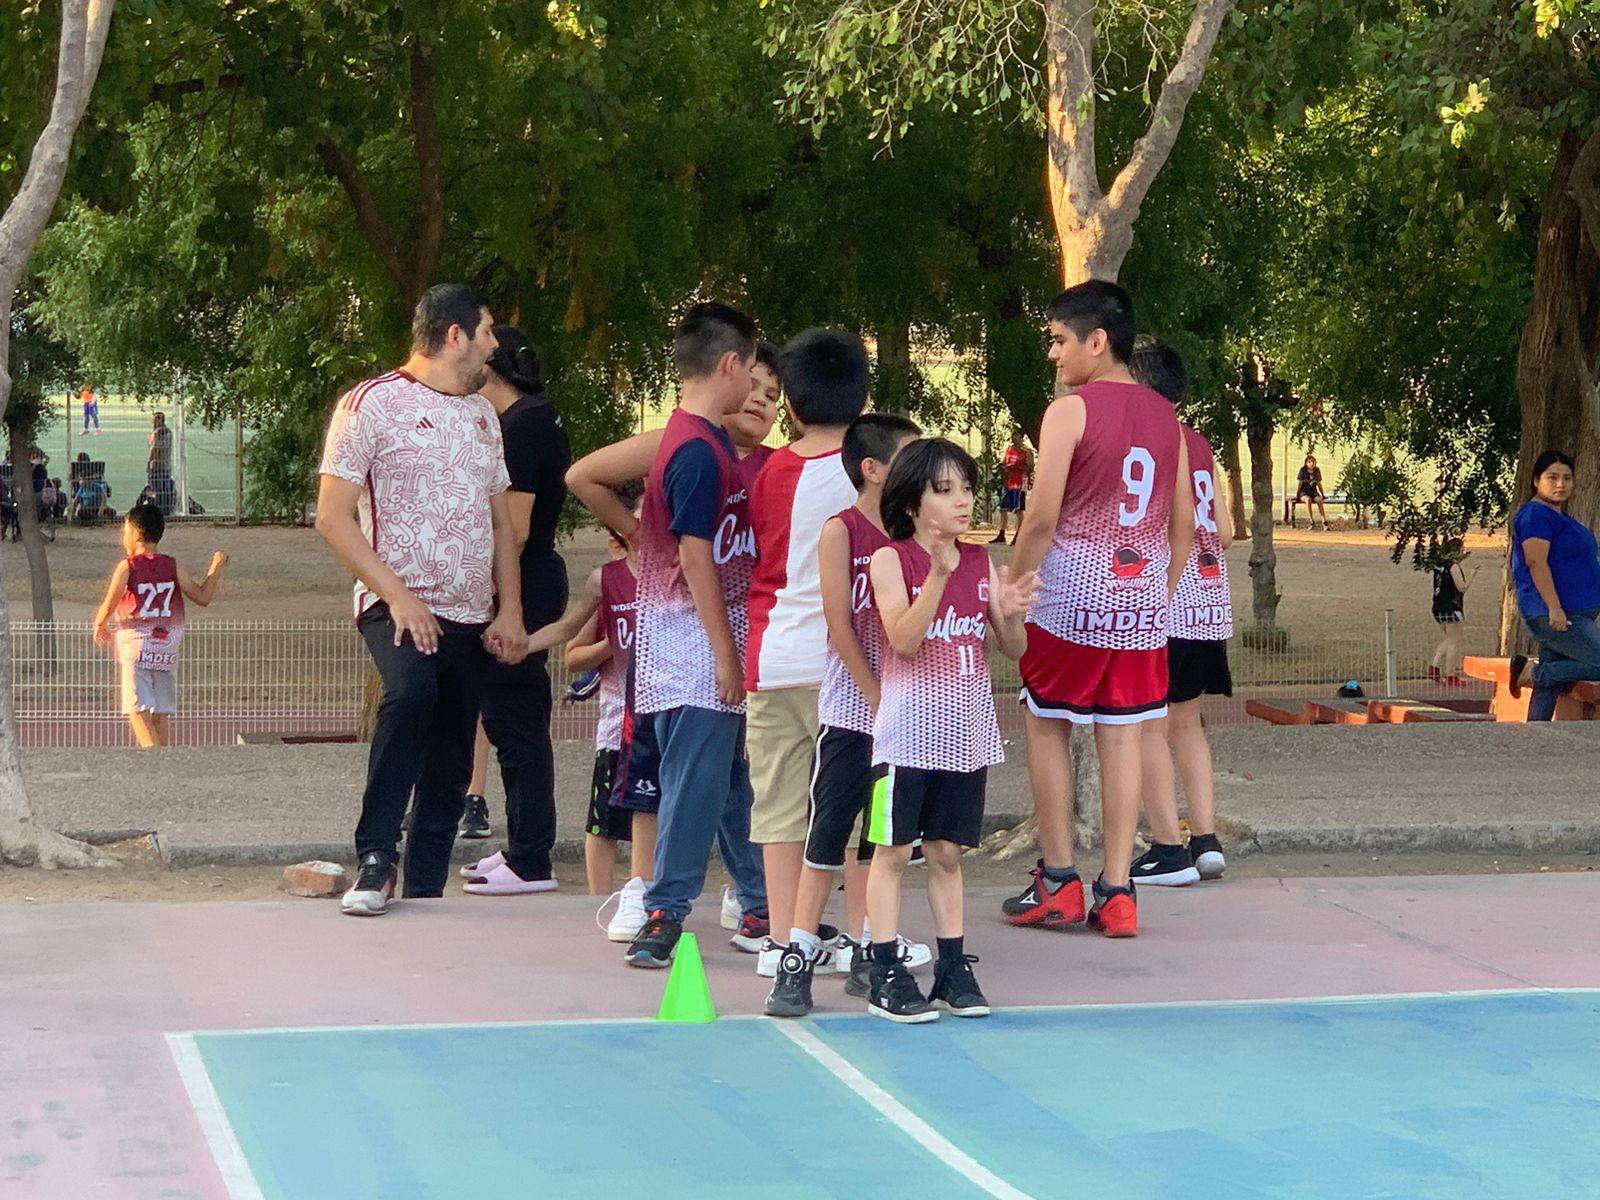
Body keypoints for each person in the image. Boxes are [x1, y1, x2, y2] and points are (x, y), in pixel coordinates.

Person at [316, 283, 529, 917]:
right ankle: (377, 855)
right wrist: (399, 596)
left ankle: (428, 885)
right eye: (488, 331)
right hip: (396, 602)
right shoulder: (368, 405)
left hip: (470, 611)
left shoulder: (482, 416)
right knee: (411, 694)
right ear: (456, 335)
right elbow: (332, 517)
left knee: (454, 749)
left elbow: (500, 527)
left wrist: (510, 610)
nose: (495, 345)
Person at [1002, 281, 1193, 939]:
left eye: (1059, 341)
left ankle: (1057, 878)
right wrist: (1156, 595)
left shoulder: (1069, 413)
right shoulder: (1168, 418)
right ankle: (1118, 889)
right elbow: (1182, 525)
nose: (1054, 356)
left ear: (1097, 340)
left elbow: (1043, 514)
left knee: (1046, 724)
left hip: (1067, 602)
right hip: (1137, 606)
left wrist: (1013, 588)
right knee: (1123, 734)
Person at [608, 302, 769, 968]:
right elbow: (697, 558)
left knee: (731, 782)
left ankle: (762, 901)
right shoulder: (700, 453)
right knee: (696, 781)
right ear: (730, 365)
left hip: (688, 645)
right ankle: (664, 913)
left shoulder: (688, 438)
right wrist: (727, 658)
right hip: (697, 650)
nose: (755, 387)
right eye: (753, 370)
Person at [860, 438, 1033, 1023]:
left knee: (946, 853)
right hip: (906, 734)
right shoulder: (891, 561)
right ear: (912, 502)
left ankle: (952, 967)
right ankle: (885, 967)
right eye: (945, 490)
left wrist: (1011, 614)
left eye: (967, 488)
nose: (962, 501)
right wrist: (936, 576)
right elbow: (903, 641)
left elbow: (1012, 649)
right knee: (892, 850)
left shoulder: (982, 561)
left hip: (964, 731)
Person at [763, 411, 923, 1018]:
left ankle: (871, 948)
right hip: (855, 709)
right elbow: (840, 626)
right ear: (874, 468)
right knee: (826, 835)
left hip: (908, 714)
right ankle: (795, 957)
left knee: (885, 837)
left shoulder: (914, 538)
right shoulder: (842, 531)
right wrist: (875, 693)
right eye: (909, 458)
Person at [743, 328, 873, 981]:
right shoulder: (871, 472)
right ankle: (859, 934)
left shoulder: (768, 472)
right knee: (845, 801)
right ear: (865, 394)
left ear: (789, 402)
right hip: (841, 665)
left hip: (772, 656)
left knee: (779, 806)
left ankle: (779, 937)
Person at [459, 327, 572, 897]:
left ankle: (532, 857)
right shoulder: (529, 418)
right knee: (507, 718)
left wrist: (493, 592)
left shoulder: (523, 425)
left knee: (516, 718)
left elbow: (519, 527)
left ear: (493, 366)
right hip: (525, 580)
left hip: (523, 582)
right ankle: (523, 846)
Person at [1128, 341, 1230, 886]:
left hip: (1160, 597)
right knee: (1187, 724)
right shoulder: (1200, 443)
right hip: (1207, 598)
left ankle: (1168, 848)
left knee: (1146, 724)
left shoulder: (1147, 439)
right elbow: (1227, 530)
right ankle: (1206, 839)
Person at [91, 502, 228, 748]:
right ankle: (165, 760)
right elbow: (202, 596)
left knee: (137, 709)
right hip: (166, 647)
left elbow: (110, 602)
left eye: (124, 532)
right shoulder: (172, 566)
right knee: (160, 713)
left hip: (137, 646)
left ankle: (153, 757)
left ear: (135, 533)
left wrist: (100, 623)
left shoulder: (128, 566)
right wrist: (215, 568)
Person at [1507, 451, 1600, 721]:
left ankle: (1538, 735)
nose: (1561, 484)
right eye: (1552, 477)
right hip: (1557, 614)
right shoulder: (1536, 515)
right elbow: (1536, 562)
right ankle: (1531, 673)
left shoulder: (1558, 517)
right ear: (1536, 480)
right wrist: (1555, 608)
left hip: (1574, 613)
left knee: (1553, 676)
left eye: (1567, 478)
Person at [1429, 539, 1477, 688]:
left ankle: (1434, 667)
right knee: (1453, 642)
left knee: (1448, 638)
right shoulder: (1453, 566)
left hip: (1438, 606)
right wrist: (1471, 576)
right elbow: (1461, 587)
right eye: (1462, 549)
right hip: (1451, 607)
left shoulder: (1440, 566)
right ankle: (1450, 675)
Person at [991, 426, 1033, 545]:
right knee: (1003, 508)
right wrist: (1004, 468)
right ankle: (1001, 533)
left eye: (1016, 434)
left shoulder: (1026, 451)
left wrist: (1018, 467)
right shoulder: (1009, 449)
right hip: (1008, 482)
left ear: (1021, 437)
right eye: (1012, 434)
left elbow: (1030, 467)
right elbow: (1005, 462)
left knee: (1019, 509)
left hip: (1019, 483)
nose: (1013, 437)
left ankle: (1019, 534)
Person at [148, 413, 177, 516]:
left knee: (155, 490)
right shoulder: (169, 432)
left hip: (156, 466)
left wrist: (149, 462)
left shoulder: (157, 433)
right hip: (166, 466)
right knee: (165, 490)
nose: (153, 423)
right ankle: (166, 511)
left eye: (154, 420)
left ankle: (156, 511)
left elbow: (155, 449)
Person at [1295, 454, 1327, 530]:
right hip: (1304, 492)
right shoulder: (1303, 470)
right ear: (1306, 463)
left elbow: (1319, 484)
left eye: (1313, 462)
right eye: (1309, 462)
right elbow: (1300, 484)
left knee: (1319, 500)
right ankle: (1311, 520)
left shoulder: (1317, 471)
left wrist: (1322, 494)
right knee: (1308, 500)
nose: (1311, 463)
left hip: (1313, 492)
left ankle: (1324, 521)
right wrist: (1297, 494)